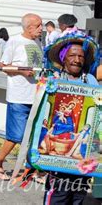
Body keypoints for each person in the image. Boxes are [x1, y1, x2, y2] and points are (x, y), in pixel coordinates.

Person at [42, 32, 99, 204]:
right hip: (57, 151)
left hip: (82, 150)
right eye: (72, 55)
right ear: (63, 58)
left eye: (81, 56)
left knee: (78, 196)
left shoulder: (90, 80)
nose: (77, 59)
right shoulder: (53, 79)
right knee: (58, 195)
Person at [0, 13, 43, 180]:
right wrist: (22, 70)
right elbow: (3, 66)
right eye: (38, 26)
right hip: (19, 96)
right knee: (16, 135)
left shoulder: (38, 42)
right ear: (29, 27)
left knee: (35, 135)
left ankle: (32, 169)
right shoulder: (14, 41)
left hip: (36, 96)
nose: (42, 29)